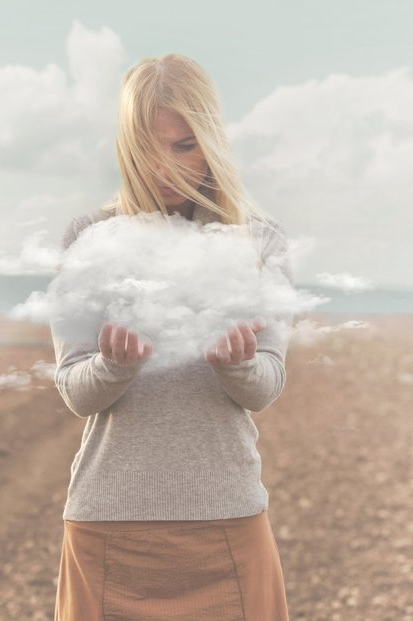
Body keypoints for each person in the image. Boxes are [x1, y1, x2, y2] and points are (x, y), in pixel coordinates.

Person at [51, 53, 293, 621]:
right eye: (148, 147)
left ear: (211, 140)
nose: (166, 167)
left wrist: (236, 364)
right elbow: (75, 392)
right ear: (126, 147)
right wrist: (114, 365)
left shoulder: (261, 242)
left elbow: (266, 386)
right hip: (109, 533)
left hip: (226, 527)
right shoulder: (89, 238)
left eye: (184, 145)